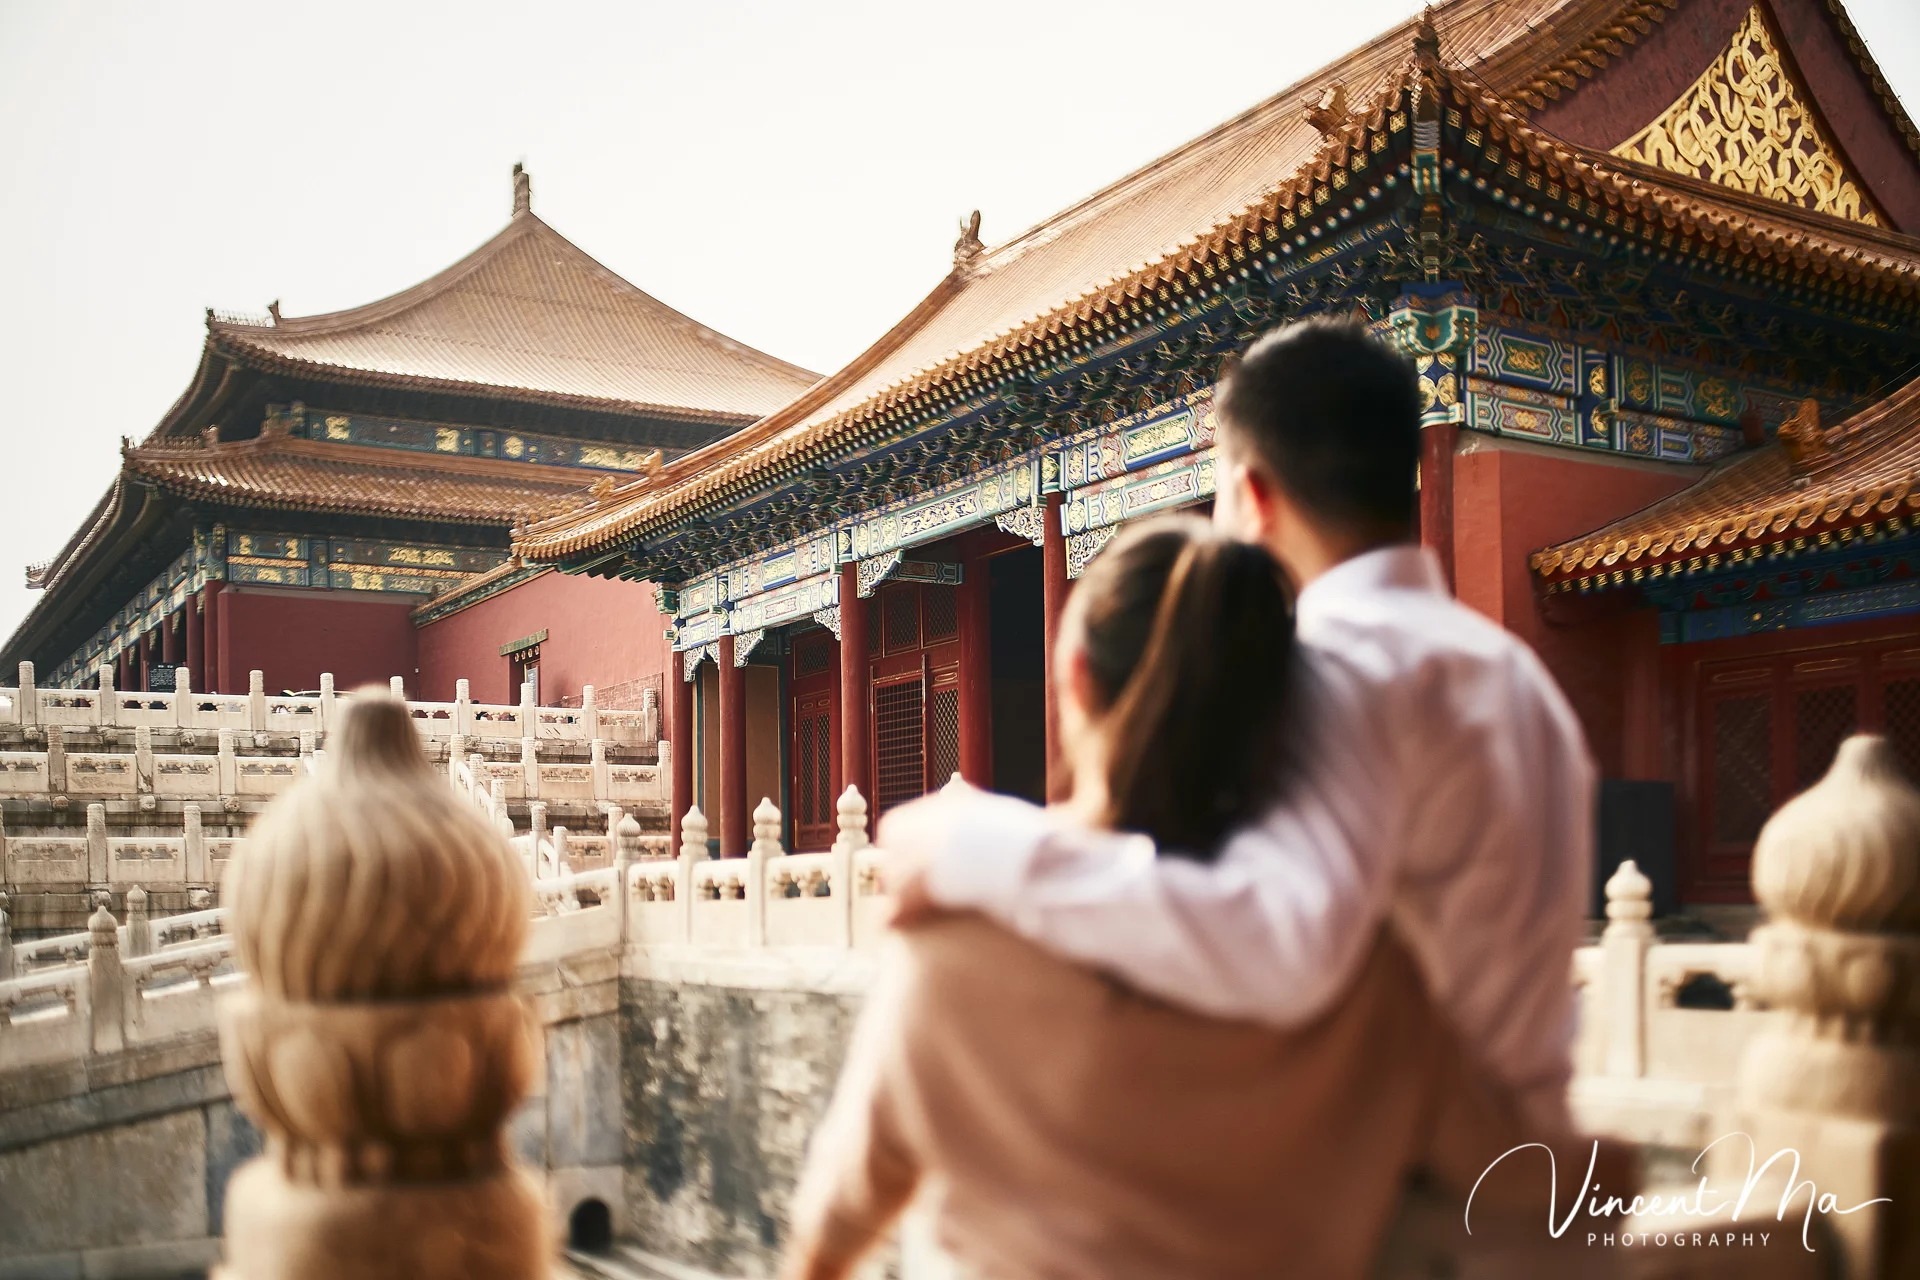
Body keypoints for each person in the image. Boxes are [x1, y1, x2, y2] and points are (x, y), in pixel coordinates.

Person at [782, 520, 1616, 1280]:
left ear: (1075, 679)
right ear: (1284, 717)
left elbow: (845, 1207)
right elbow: (1524, 1183)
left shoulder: (950, 945)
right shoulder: (1376, 975)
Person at [883, 318, 1595, 1133]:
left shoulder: (1333, 669)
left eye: (1216, 487)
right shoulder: (1521, 681)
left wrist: (982, 845)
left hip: (1400, 1206)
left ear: (1252, 497)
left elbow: (1278, 940)